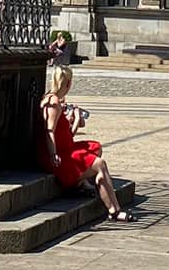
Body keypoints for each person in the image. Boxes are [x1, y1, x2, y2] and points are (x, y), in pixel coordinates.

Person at [40, 65, 130, 221]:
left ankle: (81, 183)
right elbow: (50, 131)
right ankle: (114, 210)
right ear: (68, 83)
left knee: (95, 147)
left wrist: (73, 121)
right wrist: (53, 154)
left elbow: (66, 135)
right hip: (58, 154)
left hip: (64, 149)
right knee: (100, 164)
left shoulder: (54, 100)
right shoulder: (53, 103)